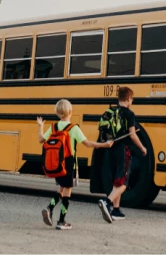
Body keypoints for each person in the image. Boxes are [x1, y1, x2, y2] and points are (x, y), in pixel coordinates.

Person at [37, 99, 113, 230]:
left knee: (61, 189)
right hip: (69, 164)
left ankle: (49, 208)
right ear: (70, 111)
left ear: (57, 112)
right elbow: (88, 144)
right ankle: (61, 221)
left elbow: (41, 139)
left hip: (57, 163)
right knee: (67, 192)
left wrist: (41, 126)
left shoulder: (54, 127)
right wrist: (105, 145)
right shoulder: (73, 128)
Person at [98, 86, 147, 223]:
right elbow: (132, 135)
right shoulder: (129, 114)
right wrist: (142, 148)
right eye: (132, 99)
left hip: (110, 149)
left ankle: (116, 210)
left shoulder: (110, 111)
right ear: (129, 99)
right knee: (124, 182)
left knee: (116, 179)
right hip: (123, 149)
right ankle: (106, 201)